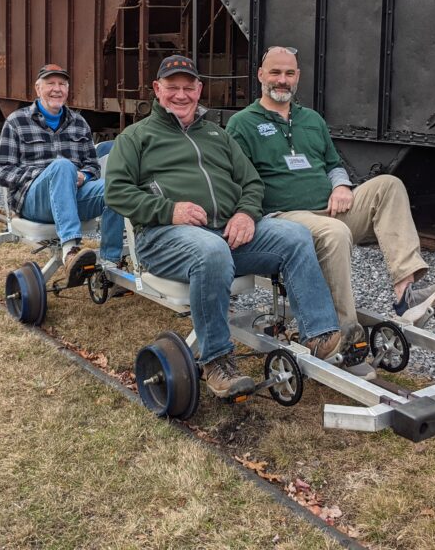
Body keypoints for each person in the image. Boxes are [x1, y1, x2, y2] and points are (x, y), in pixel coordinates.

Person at [105, 54, 344, 400]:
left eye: (189, 87)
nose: (182, 95)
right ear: (158, 89)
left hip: (225, 233)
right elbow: (116, 192)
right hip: (163, 237)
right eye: (173, 87)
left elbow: (252, 183)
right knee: (211, 251)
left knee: (294, 235)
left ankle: (319, 334)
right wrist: (169, 210)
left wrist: (246, 214)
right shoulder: (136, 137)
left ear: (199, 90)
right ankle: (216, 361)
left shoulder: (217, 134)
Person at [227, 46, 435, 380]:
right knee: (335, 234)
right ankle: (343, 336)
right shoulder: (242, 124)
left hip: (329, 208)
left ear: (298, 78)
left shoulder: (312, 120)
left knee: (388, 185)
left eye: (289, 73)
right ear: (260, 75)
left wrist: (341, 187)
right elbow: (242, 182)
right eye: (275, 72)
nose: (282, 80)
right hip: (283, 217)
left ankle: (406, 295)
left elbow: (334, 163)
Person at [0, 63, 124, 287]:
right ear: (38, 88)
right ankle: (70, 251)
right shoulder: (17, 121)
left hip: (75, 195)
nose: (57, 89)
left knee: (118, 188)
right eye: (50, 83)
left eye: (62, 84)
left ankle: (111, 264)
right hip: (34, 201)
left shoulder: (79, 123)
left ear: (67, 89)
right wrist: (45, 174)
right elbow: (1, 170)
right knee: (62, 167)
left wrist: (83, 175)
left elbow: (92, 165)